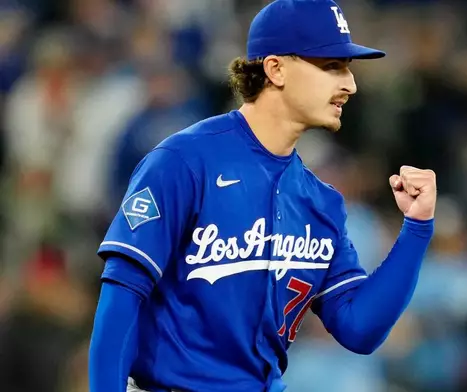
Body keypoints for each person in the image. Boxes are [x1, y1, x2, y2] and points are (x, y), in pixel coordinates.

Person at [88, 1, 437, 391]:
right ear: (275, 68)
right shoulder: (184, 162)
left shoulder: (321, 202)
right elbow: (121, 297)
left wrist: (417, 228)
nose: (350, 84)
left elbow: (360, 330)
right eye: (332, 66)